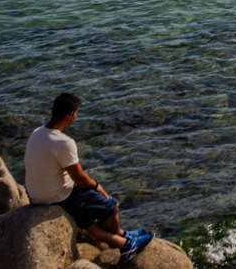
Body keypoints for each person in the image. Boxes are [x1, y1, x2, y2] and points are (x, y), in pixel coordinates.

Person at [25, 93, 151, 259]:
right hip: (56, 196)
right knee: (110, 205)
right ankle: (124, 237)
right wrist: (98, 187)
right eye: (76, 113)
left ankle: (123, 243)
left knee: (89, 222)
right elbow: (79, 178)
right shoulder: (64, 142)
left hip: (36, 195)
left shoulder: (36, 132)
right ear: (70, 115)